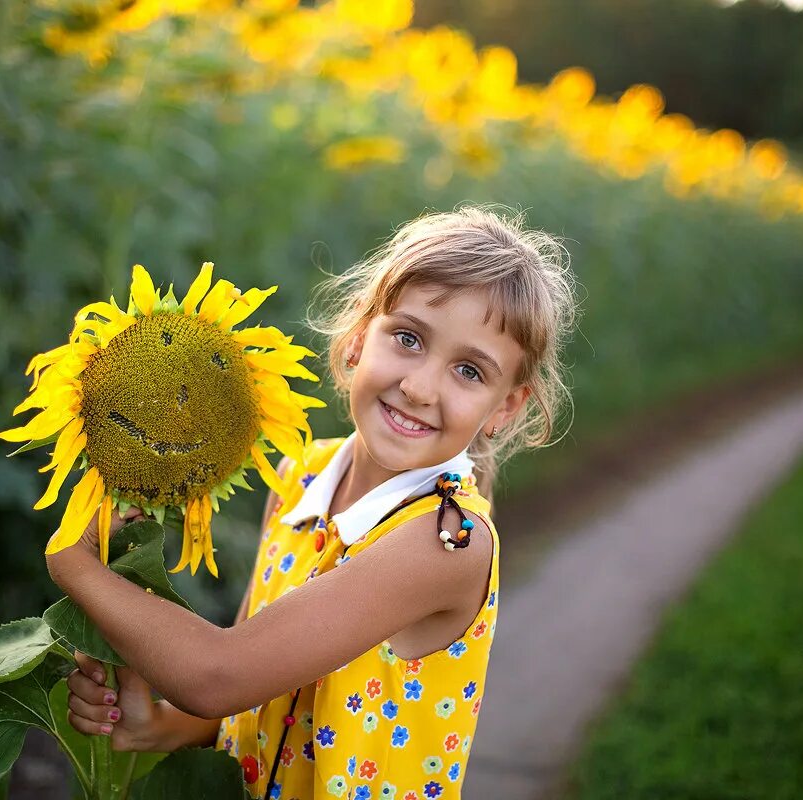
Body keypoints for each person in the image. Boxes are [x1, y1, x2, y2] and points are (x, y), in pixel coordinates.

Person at [48, 204, 579, 799]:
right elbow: (255, 692)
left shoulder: (445, 541)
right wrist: (159, 724)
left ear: (506, 407)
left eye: (469, 371)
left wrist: (74, 566)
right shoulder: (301, 473)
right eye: (407, 338)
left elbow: (219, 675)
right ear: (358, 337)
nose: (420, 386)